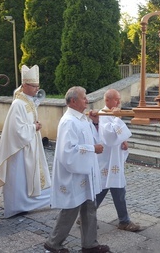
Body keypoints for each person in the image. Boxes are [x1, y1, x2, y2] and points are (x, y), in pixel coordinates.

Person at [44, 86, 111, 253]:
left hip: (86, 172)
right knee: (71, 209)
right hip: (74, 174)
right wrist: (92, 149)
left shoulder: (81, 119)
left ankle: (90, 245)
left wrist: (95, 123)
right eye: (84, 98)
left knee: (90, 207)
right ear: (73, 101)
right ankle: (53, 244)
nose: (87, 100)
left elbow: (93, 138)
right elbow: (67, 151)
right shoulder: (68, 121)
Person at [0, 65, 51, 218]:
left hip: (30, 144)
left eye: (38, 86)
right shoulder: (17, 104)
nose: (36, 89)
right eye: (33, 86)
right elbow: (16, 130)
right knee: (19, 178)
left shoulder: (29, 101)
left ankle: (26, 203)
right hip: (19, 148)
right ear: (25, 85)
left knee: (28, 178)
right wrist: (34, 127)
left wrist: (34, 126)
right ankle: (15, 207)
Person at [96, 89, 141, 231]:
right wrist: (117, 118)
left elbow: (117, 134)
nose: (119, 102)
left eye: (119, 99)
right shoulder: (103, 114)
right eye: (116, 99)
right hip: (107, 159)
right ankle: (124, 221)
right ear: (107, 100)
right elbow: (109, 136)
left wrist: (123, 140)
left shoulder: (110, 114)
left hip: (113, 158)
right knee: (107, 188)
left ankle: (123, 220)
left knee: (113, 188)